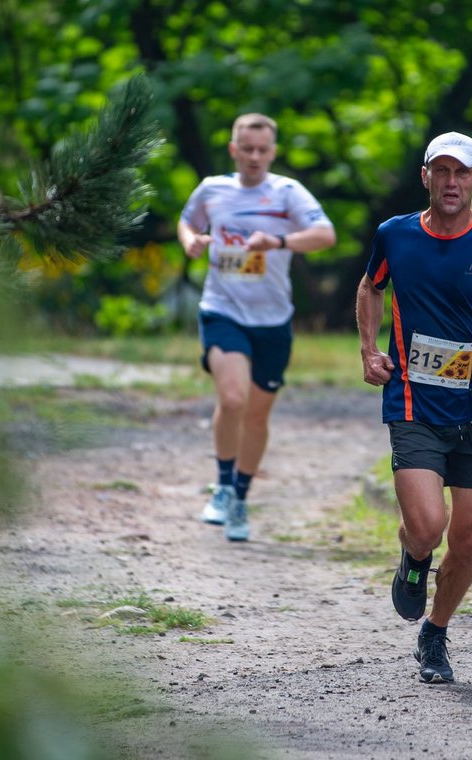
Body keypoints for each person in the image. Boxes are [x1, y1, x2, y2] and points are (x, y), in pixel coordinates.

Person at [355, 131, 472, 683]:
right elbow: (370, 287)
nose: (451, 181)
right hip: (411, 402)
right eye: (441, 171)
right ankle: (414, 559)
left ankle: (435, 632)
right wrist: (368, 350)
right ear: (426, 177)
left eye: (462, 172)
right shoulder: (395, 235)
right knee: (428, 526)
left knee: (467, 538)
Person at [178, 113, 336, 542]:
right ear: (233, 149)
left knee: (256, 413)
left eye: (262, 150)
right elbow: (188, 221)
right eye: (246, 148)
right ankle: (223, 486)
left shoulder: (287, 193)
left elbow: (325, 235)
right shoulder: (213, 188)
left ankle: (241, 497)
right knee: (232, 398)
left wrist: (278, 242)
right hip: (222, 309)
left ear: (272, 152)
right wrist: (191, 240)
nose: (254, 156)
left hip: (273, 320)